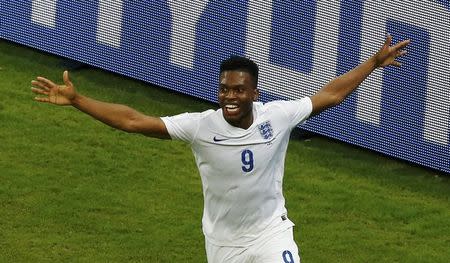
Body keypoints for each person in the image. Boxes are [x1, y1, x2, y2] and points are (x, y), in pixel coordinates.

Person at [31, 35, 410, 263]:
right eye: (225, 89)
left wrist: (373, 63)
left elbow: (332, 94)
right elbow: (134, 121)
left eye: (239, 90)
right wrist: (80, 101)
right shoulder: (200, 126)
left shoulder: (277, 116)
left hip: (270, 232)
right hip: (223, 241)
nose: (230, 96)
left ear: (255, 93)